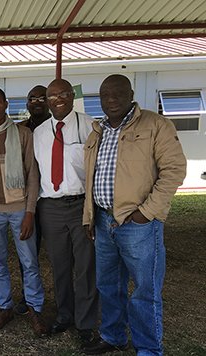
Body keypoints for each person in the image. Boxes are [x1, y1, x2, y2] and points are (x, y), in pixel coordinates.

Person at [82, 74, 186, 356]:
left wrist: (146, 213)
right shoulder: (97, 132)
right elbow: (91, 179)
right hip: (104, 222)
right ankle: (114, 336)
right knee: (108, 286)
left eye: (117, 94)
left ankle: (148, 349)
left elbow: (174, 170)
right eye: (105, 95)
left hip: (138, 224)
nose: (111, 100)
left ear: (131, 94)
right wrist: (90, 217)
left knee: (144, 290)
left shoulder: (155, 125)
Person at [0, 86, 47, 337]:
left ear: (5, 104)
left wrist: (29, 212)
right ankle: (4, 307)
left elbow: (32, 174)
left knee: (29, 261)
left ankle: (34, 309)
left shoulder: (24, 134)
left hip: (20, 209)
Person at [33, 78, 98, 347]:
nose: (57, 99)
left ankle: (85, 323)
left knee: (85, 267)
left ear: (72, 96)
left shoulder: (91, 126)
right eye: (52, 95)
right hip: (50, 206)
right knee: (59, 266)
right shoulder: (39, 132)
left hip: (81, 205)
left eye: (63, 94)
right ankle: (65, 315)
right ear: (47, 101)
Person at [14, 85, 51, 315]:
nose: (37, 101)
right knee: (27, 252)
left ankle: (66, 299)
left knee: (60, 254)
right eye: (32, 98)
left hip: (53, 199)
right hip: (27, 200)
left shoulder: (58, 126)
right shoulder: (20, 130)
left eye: (41, 97)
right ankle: (28, 297)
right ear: (27, 103)